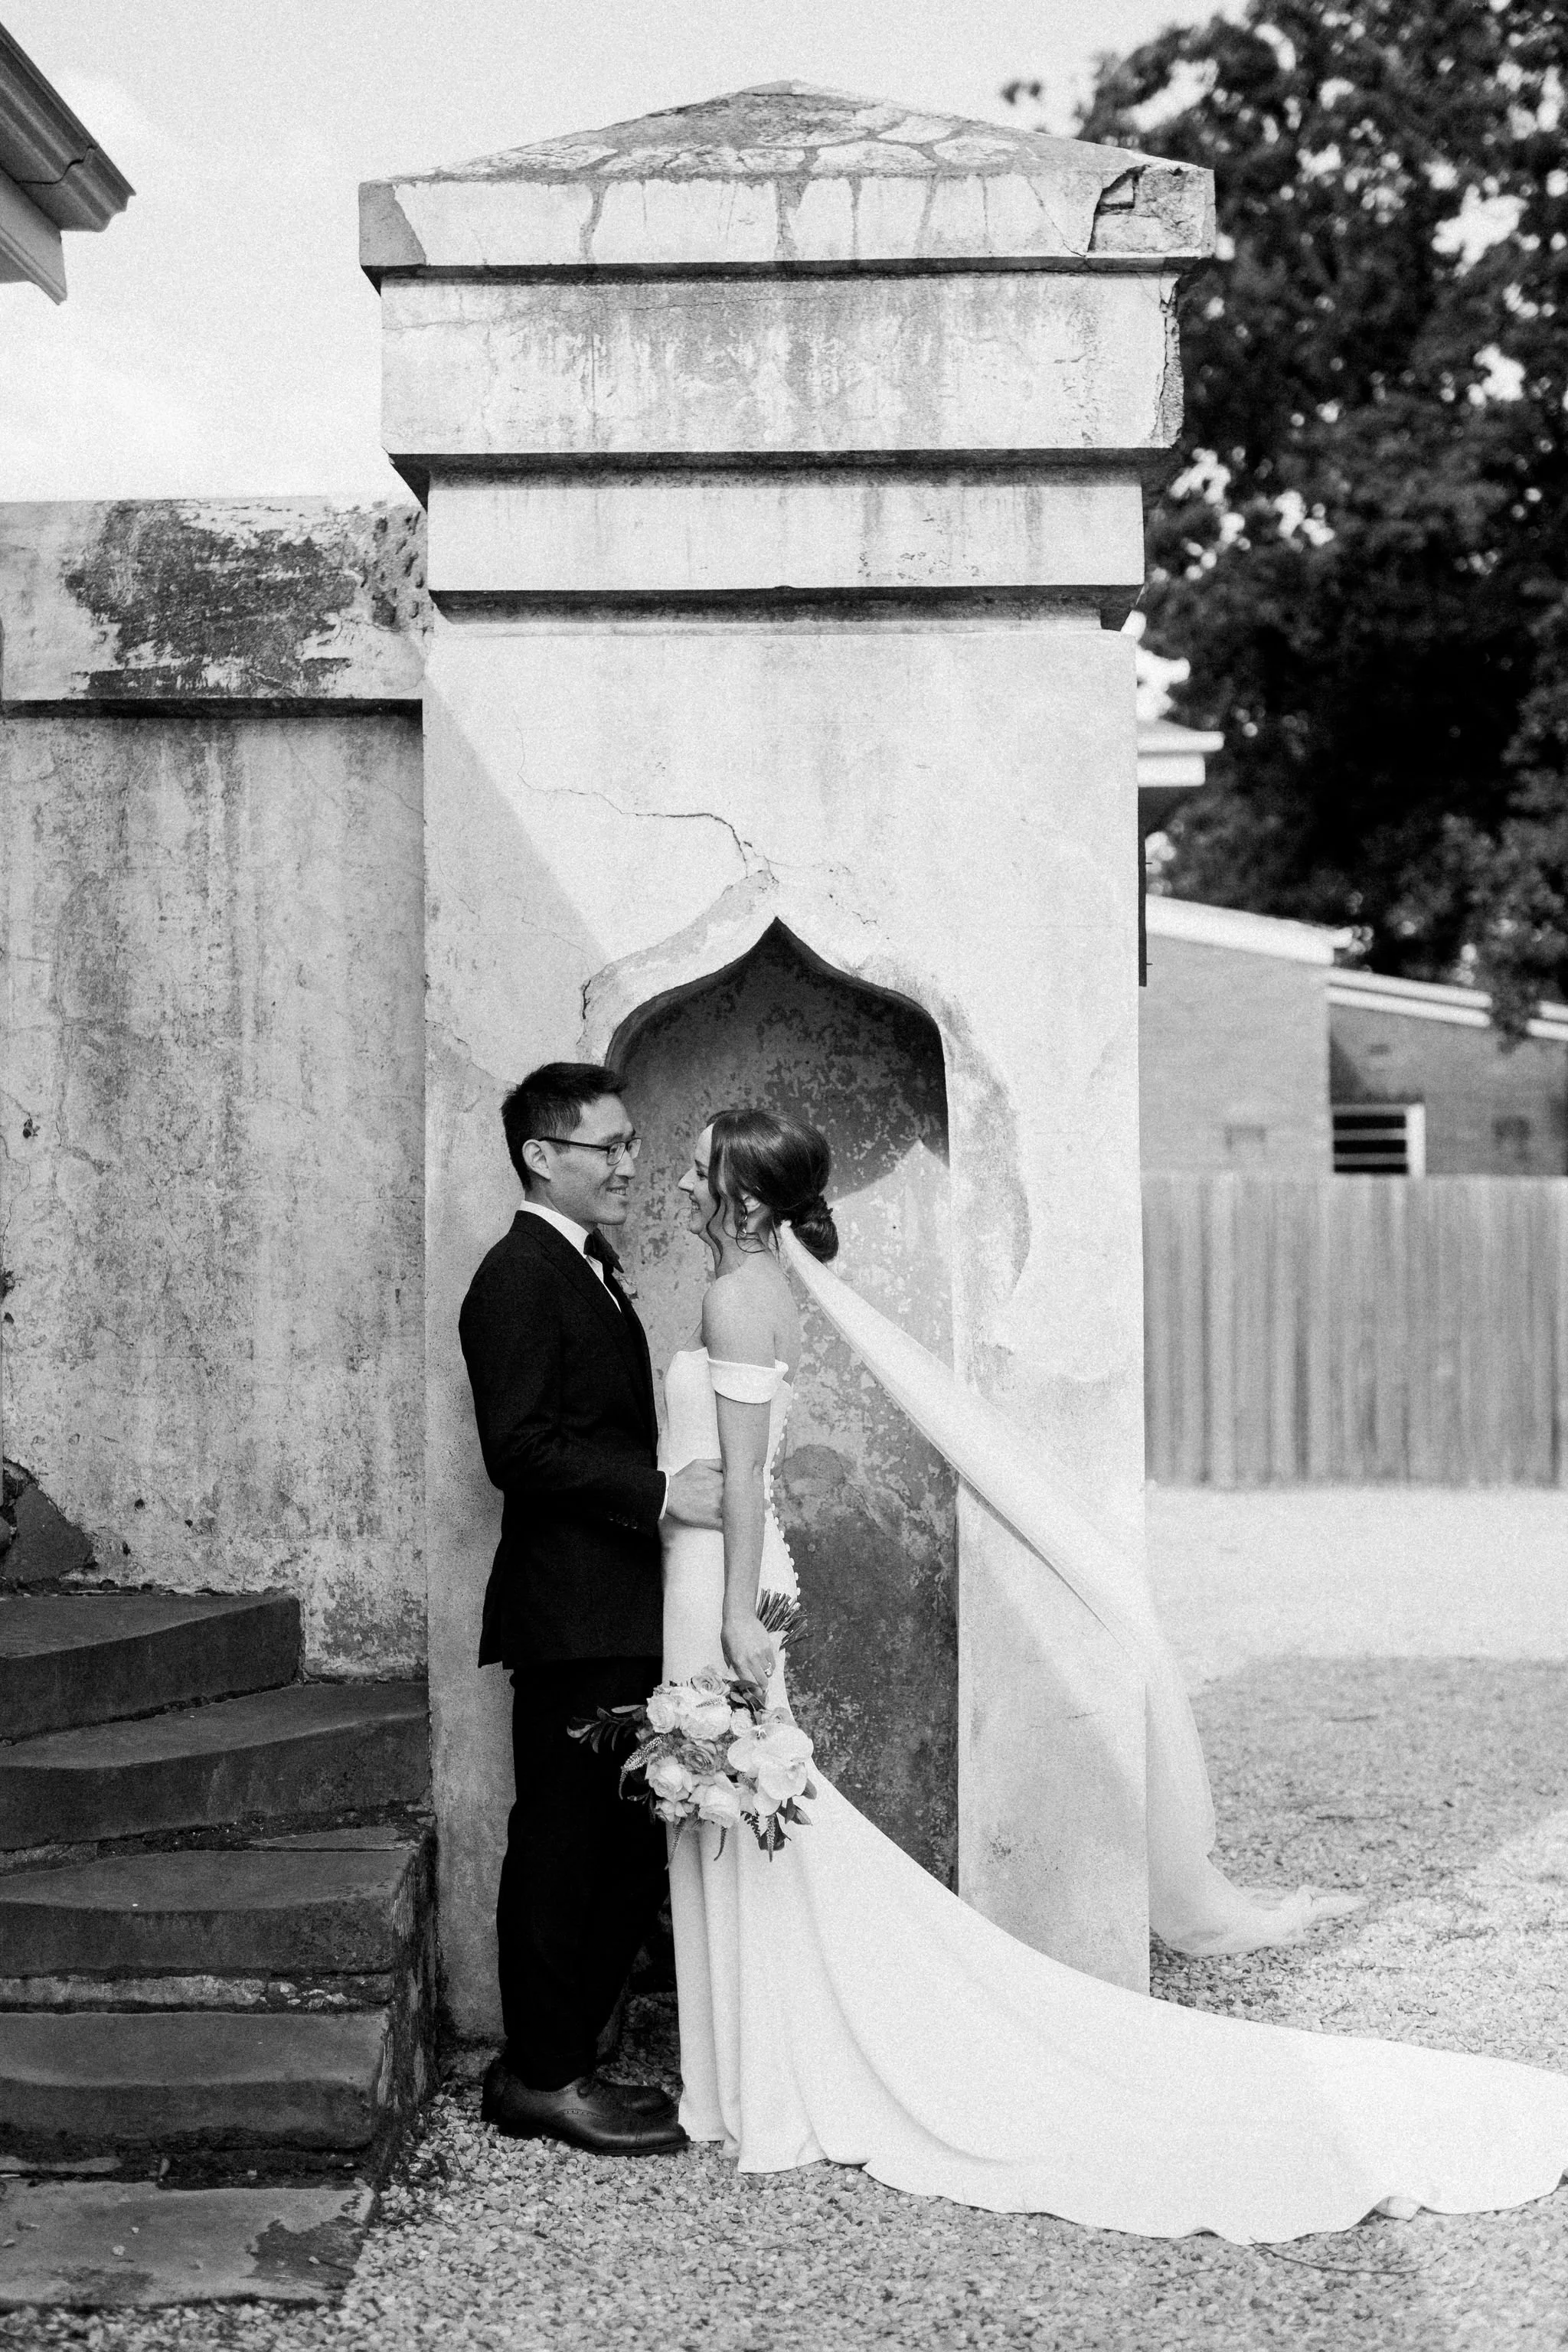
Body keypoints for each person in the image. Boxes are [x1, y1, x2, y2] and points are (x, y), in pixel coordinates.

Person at [658, 1103, 1568, 2241]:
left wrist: (740, 1616)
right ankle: (751, 2070)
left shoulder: (736, 1297)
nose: (680, 1178)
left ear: (742, 1196)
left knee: (744, 1814)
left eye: (697, 1167)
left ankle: (769, 2077)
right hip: (707, 1571)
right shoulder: (751, 1289)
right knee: (734, 1813)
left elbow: (744, 1480)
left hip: (719, 1582)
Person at [458, 1061, 724, 2155]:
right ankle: (543, 2078)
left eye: (628, 1143)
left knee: (615, 1847)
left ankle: (569, 2051)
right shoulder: (519, 1275)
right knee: (563, 1846)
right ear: (541, 1156)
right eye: (606, 1146)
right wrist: (663, 1495)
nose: (628, 1162)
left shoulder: (586, 1265)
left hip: (614, 1608)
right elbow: (517, 1449)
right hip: (569, 1617)